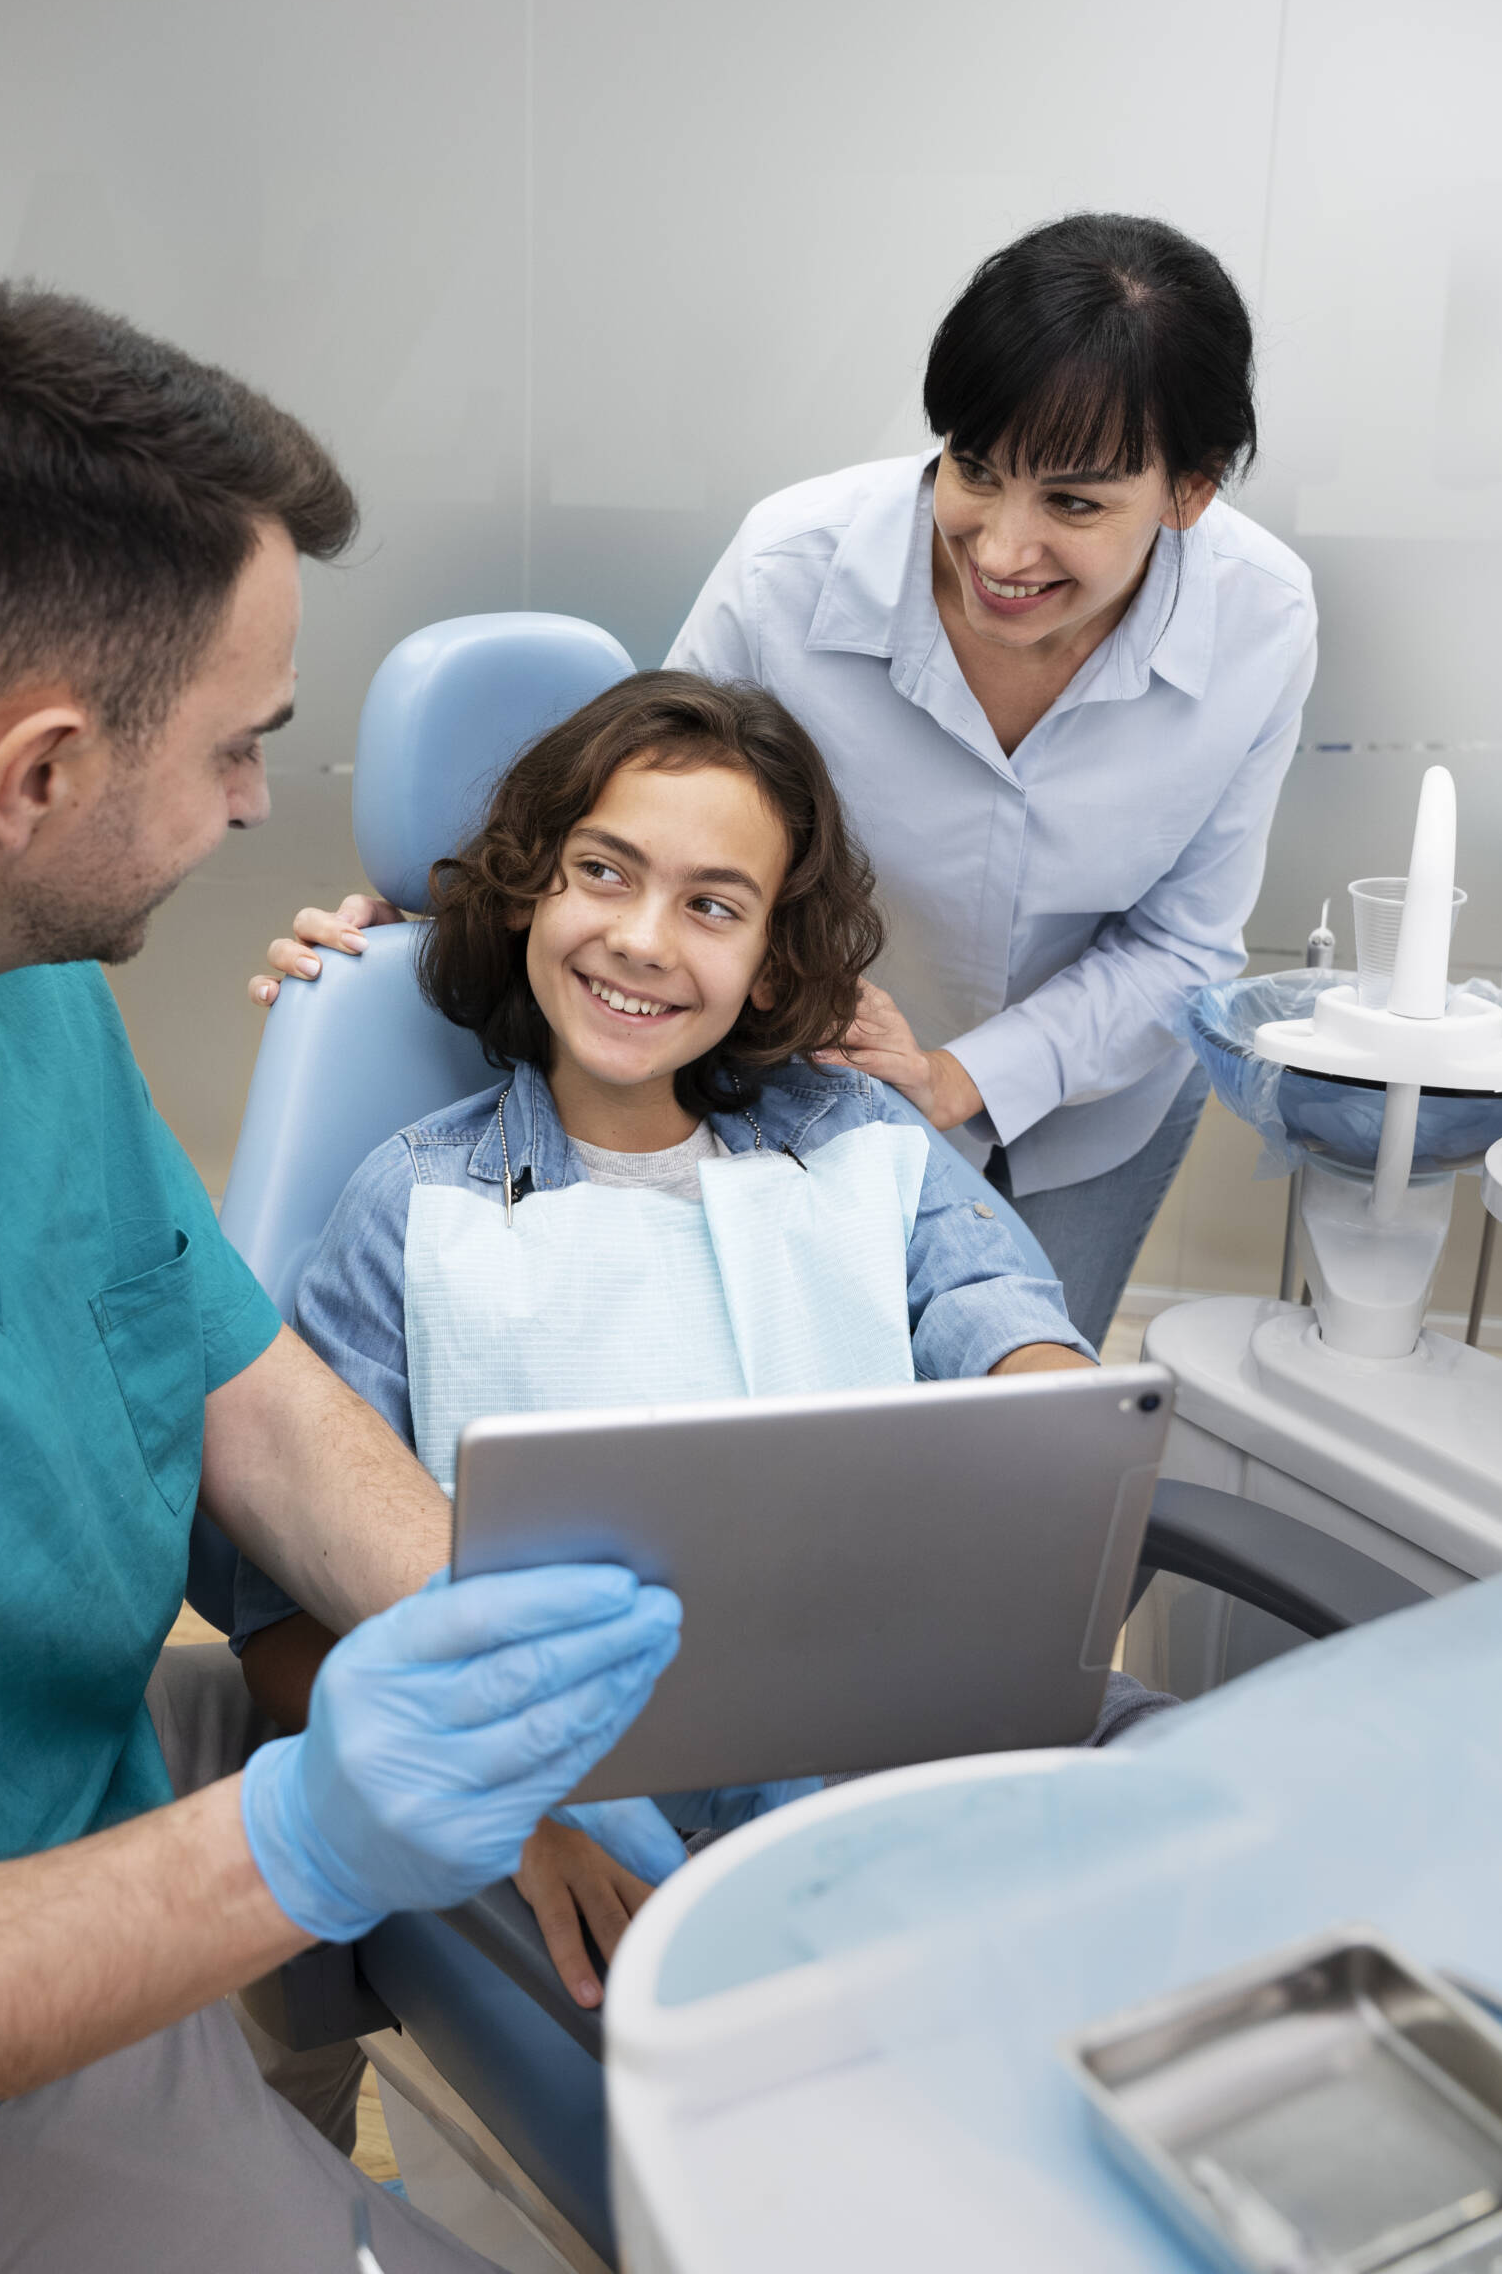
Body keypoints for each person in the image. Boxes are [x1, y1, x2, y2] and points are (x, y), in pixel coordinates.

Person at [0, 283, 682, 2274]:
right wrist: (286, 1849)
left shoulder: (12, 999)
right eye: (233, 750)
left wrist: (496, 1642)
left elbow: (242, 1386)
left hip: (90, 1789)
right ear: (33, 772)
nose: (249, 812)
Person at [259, 212, 1317, 1351]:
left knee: (1004, 1379)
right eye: (974, 469)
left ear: (1189, 495)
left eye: (1073, 503)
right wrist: (430, 919)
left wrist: (959, 1076)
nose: (1003, 550)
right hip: (795, 1093)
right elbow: (640, 815)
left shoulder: (1261, 621)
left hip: (1091, 1106)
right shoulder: (791, 569)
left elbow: (1184, 945)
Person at [232, 671, 1097, 1989]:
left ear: (767, 962)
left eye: (711, 905)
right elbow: (287, 1630)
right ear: (529, 888)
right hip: (609, 1805)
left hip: (905, 1758)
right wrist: (520, 1820)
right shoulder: (413, 1207)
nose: (641, 939)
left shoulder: (867, 1148)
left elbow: (1022, 1359)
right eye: (601, 872)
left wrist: (1044, 1440)